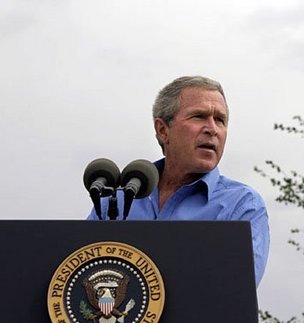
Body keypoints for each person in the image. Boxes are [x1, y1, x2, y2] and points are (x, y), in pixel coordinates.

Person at [87, 76, 270, 286]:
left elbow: (235, 290)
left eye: (220, 120)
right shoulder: (115, 202)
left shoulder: (242, 205)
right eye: (199, 116)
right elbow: (80, 272)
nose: (212, 129)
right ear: (163, 130)